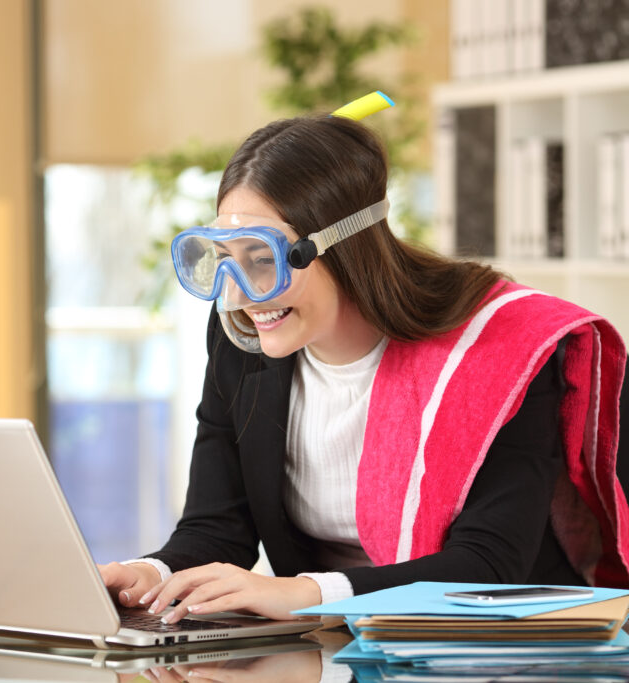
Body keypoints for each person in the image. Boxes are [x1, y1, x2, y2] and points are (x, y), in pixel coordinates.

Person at [98, 94, 629, 626]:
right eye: (224, 260)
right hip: (332, 645)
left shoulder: (496, 349)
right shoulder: (243, 337)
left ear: (341, 244)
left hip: (495, 647)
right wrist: (154, 574)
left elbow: (488, 565)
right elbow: (217, 529)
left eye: (263, 260)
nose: (238, 296)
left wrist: (305, 594)